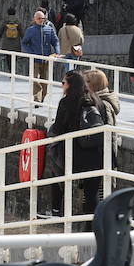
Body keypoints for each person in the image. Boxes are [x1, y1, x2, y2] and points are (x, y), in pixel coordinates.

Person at [46, 70, 106, 216]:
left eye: (63, 83)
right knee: (91, 193)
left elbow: (59, 128)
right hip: (97, 153)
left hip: (74, 154)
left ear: (70, 85)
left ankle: (56, 211)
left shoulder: (67, 102)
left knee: (57, 174)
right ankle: (90, 227)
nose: (62, 86)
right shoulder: (96, 100)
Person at [22, 9, 60, 103]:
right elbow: (24, 43)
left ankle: (42, 97)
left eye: (43, 18)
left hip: (46, 59)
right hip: (35, 60)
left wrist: (57, 52)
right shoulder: (30, 30)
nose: (41, 20)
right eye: (39, 18)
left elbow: (55, 41)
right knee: (35, 79)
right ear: (34, 19)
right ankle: (37, 98)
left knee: (45, 80)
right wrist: (31, 53)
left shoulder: (49, 29)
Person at [0, 6, 24, 73]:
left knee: (8, 57)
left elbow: (0, 31)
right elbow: (22, 32)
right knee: (15, 57)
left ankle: (10, 70)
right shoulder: (18, 20)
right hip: (16, 43)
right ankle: (13, 70)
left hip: (7, 43)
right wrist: (24, 41)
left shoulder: (5, 20)